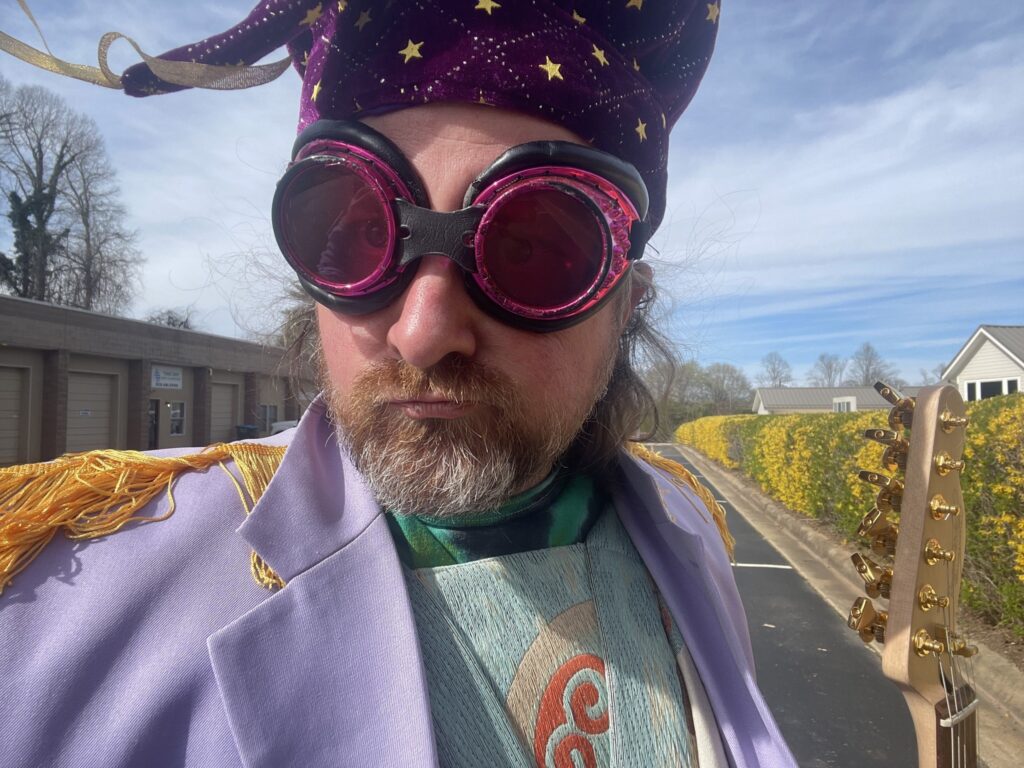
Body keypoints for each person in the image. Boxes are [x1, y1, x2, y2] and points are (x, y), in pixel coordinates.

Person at [0, 2, 795, 766]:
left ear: (625, 302)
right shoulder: (59, 616)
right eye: (356, 232)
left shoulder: (690, 538)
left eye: (536, 250)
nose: (422, 332)